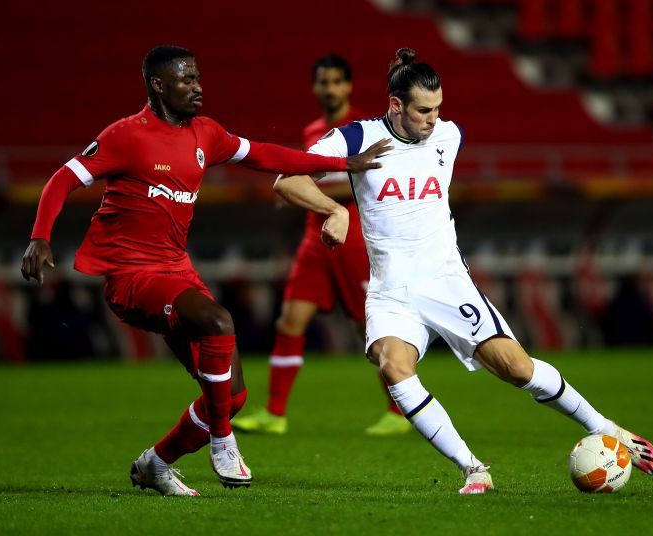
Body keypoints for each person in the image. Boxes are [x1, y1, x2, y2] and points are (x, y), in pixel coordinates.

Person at [272, 48, 653, 494]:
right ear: (396, 106)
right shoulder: (357, 138)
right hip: (391, 290)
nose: (433, 120)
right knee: (393, 366)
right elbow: (286, 180)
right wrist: (331, 209)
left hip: (446, 282)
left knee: (516, 368)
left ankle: (608, 428)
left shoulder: (448, 135)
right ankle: (474, 468)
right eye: (423, 111)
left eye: (438, 109)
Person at [20, 45, 388, 497]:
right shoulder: (125, 136)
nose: (198, 87)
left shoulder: (206, 134)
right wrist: (40, 236)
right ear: (158, 85)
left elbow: (266, 156)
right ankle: (223, 444)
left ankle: (155, 464)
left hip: (177, 271)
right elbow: (63, 178)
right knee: (219, 321)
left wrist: (340, 164)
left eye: (197, 78)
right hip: (132, 277)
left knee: (230, 398)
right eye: (186, 79)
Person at [232, 55, 410, 436]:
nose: (329, 89)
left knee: (371, 326)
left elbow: (373, 181)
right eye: (323, 82)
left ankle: (400, 411)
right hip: (315, 237)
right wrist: (299, 193)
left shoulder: (364, 128)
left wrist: (310, 189)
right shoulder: (313, 129)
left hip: (355, 237)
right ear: (315, 87)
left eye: (336, 82)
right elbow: (306, 178)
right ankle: (275, 412)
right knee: (290, 321)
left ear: (348, 86)